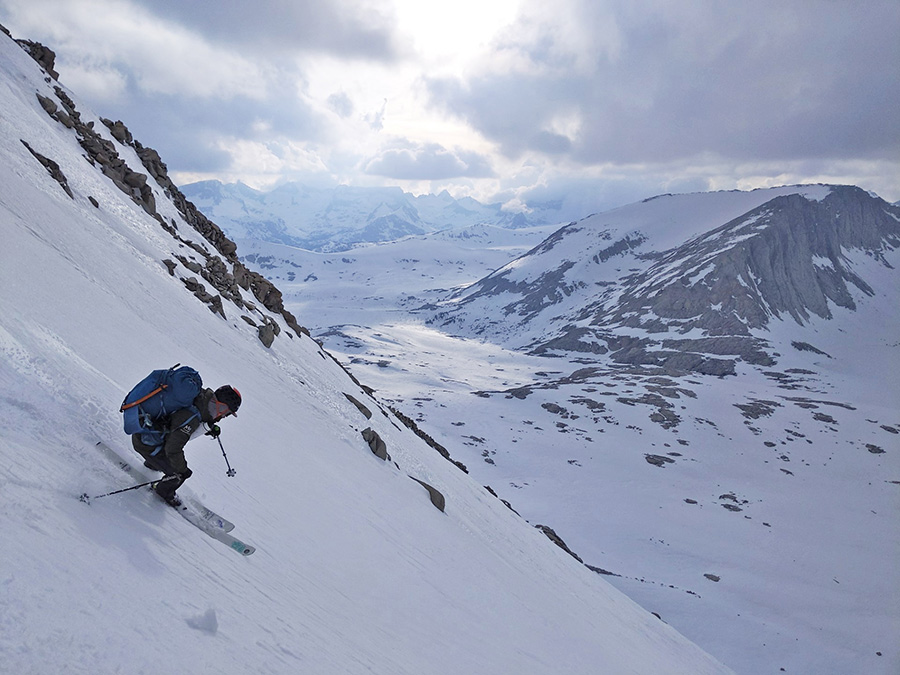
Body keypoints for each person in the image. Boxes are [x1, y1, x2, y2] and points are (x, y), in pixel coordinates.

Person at [132, 384, 241, 506]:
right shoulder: (192, 417)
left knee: (171, 458)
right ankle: (162, 493)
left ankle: (153, 465)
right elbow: (173, 448)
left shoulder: (201, 398)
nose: (225, 417)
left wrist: (209, 428)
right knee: (178, 474)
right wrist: (182, 470)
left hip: (147, 433)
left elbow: (178, 422)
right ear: (221, 407)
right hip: (145, 442)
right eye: (228, 413)